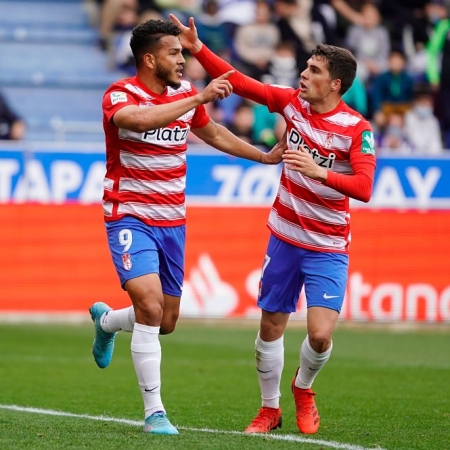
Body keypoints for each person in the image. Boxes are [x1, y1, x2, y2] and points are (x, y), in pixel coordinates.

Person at [170, 14, 376, 435]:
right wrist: (196, 49)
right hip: (284, 236)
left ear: (335, 84)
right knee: (270, 326)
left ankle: (303, 387)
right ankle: (269, 409)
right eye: (306, 67)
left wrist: (320, 173)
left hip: (328, 244)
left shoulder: (356, 129)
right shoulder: (290, 103)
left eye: (314, 71)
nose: (303, 74)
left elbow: (365, 187)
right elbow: (240, 81)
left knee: (319, 336)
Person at [89, 18, 286, 436]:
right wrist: (199, 96)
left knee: (166, 320)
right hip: (130, 213)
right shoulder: (120, 94)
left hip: (173, 220)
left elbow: (212, 132)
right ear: (148, 58)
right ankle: (155, 412)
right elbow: (138, 121)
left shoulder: (183, 95)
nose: (183, 59)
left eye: (183, 52)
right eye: (174, 53)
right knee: (149, 304)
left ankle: (106, 323)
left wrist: (264, 157)